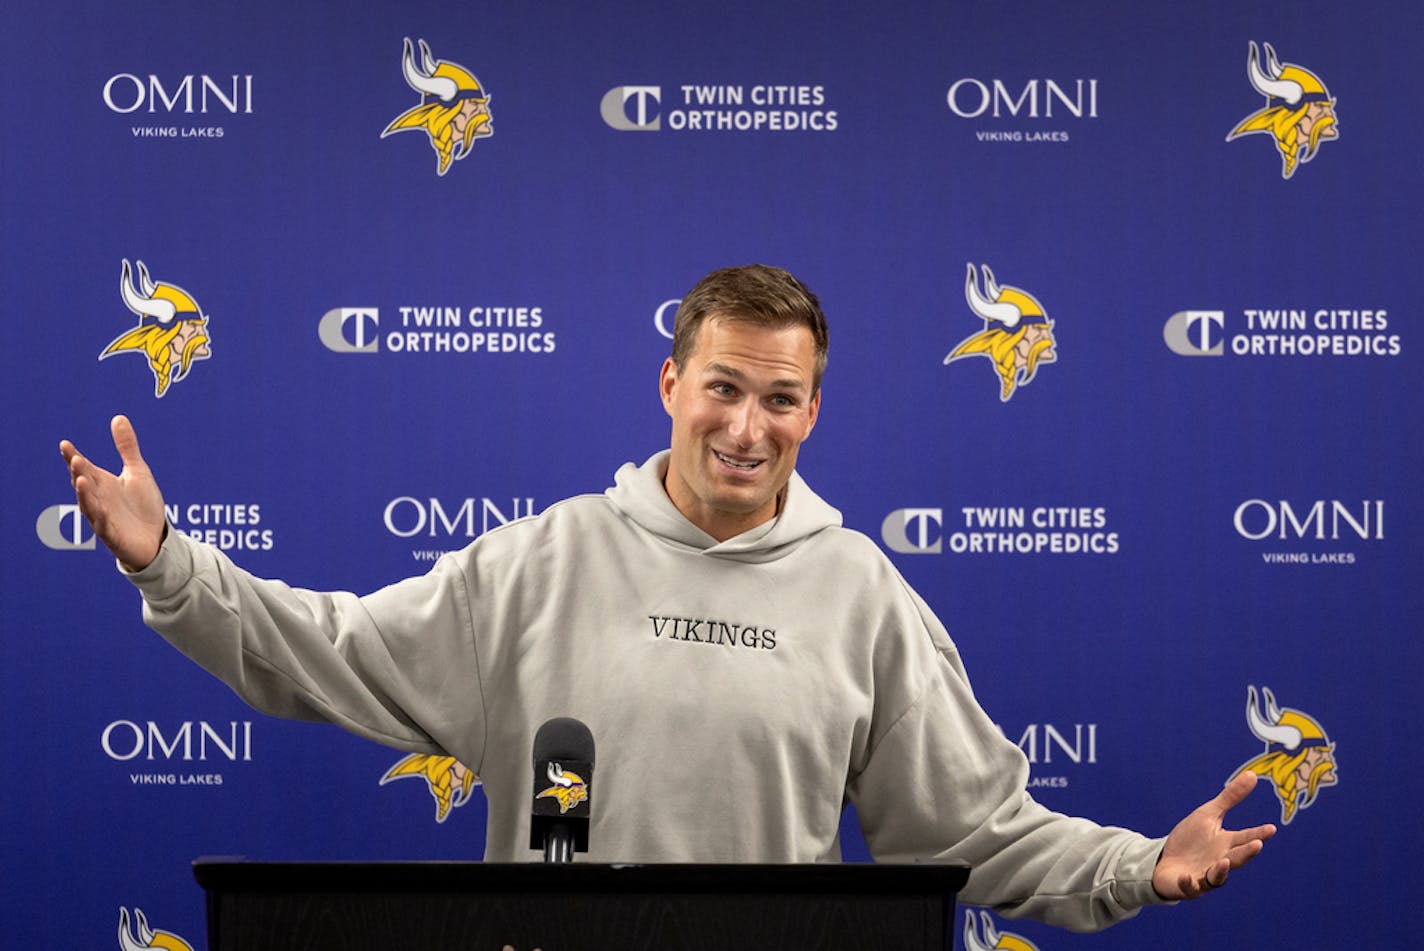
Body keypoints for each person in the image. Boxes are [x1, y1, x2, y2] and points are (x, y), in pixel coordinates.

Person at [61, 264, 1273, 933]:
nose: (747, 428)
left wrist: (1135, 861)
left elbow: (970, 831)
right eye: (722, 387)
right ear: (668, 383)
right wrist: (169, 558)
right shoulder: (539, 563)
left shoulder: (861, 594)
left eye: (781, 399)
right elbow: (318, 649)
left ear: (813, 411)